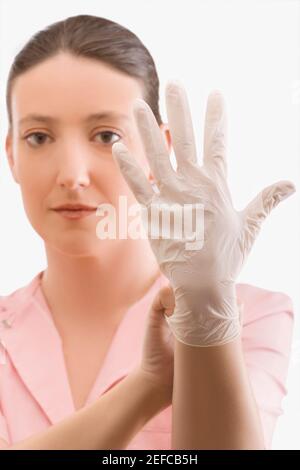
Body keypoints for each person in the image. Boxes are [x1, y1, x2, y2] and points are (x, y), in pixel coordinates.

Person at [0, 14, 295, 450]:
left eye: (105, 135)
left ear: (161, 151)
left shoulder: (252, 314)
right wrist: (147, 388)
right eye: (40, 138)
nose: (72, 175)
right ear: (12, 155)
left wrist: (206, 317)